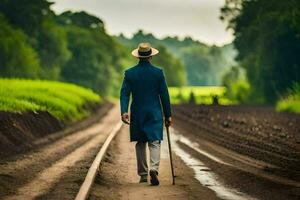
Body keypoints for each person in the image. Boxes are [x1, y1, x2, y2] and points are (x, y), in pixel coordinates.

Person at [120, 42, 172, 186]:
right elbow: (164, 95)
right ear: (150, 56)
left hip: (137, 112)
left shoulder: (130, 73)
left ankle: (143, 174)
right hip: (154, 112)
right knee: (155, 141)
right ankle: (154, 169)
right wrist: (168, 115)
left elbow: (124, 94)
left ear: (138, 56)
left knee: (141, 142)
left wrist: (124, 111)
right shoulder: (158, 73)